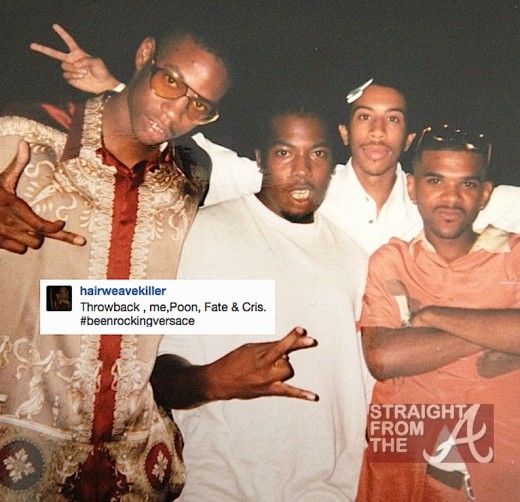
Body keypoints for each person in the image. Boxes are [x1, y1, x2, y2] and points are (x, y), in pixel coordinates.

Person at [0, 22, 317, 501]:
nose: (175, 112)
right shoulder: (25, 135)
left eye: (199, 105)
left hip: (138, 470)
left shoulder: (194, 174)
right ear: (144, 53)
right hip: (20, 462)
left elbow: (297, 181)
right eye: (170, 82)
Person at [152, 103, 371, 501]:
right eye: (284, 152)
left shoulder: (355, 260)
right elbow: (154, 372)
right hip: (217, 487)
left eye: (318, 153)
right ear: (259, 157)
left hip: (325, 491)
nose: (302, 170)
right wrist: (213, 380)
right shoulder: (203, 232)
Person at [356, 125, 520, 501]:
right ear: (412, 188)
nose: (451, 198)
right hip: (407, 466)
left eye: (467, 184)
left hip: (502, 469)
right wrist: (497, 333)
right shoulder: (392, 260)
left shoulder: (514, 254)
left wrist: (431, 316)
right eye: (435, 181)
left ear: (485, 194)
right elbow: (382, 358)